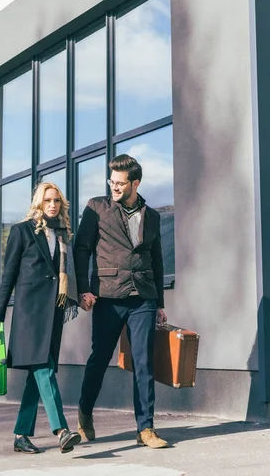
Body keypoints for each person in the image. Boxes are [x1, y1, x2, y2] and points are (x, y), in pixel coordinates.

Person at [74, 154, 169, 449]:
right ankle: (85, 413)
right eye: (111, 181)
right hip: (108, 295)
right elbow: (81, 249)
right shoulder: (96, 208)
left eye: (120, 183)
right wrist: (83, 290)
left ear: (135, 183)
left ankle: (146, 428)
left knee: (144, 363)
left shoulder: (152, 216)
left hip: (143, 297)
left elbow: (156, 260)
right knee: (99, 360)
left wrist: (161, 303)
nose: (114, 187)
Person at [0, 182, 81, 455]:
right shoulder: (21, 231)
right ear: (39, 203)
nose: (52, 204)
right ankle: (61, 430)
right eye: (47, 200)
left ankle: (20, 435)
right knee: (44, 368)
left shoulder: (63, 235)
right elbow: (8, 278)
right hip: (30, 314)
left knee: (36, 375)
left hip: (53, 312)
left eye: (56, 200)